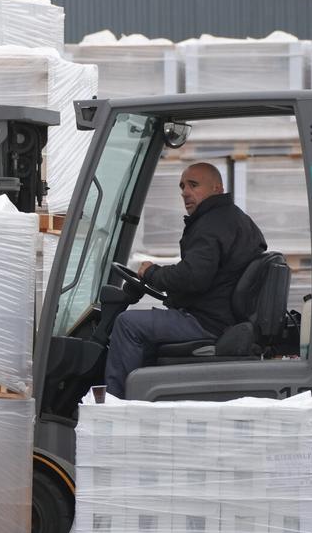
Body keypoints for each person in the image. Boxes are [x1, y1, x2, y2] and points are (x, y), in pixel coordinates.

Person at [104, 161, 267, 398]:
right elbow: (201, 272)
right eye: (182, 186)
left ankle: (114, 405)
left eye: (193, 185)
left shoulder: (210, 224)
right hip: (224, 317)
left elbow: (193, 277)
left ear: (216, 188)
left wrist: (151, 273)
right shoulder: (236, 219)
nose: (185, 192)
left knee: (127, 323)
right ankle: (142, 395)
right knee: (145, 333)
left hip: (207, 321)